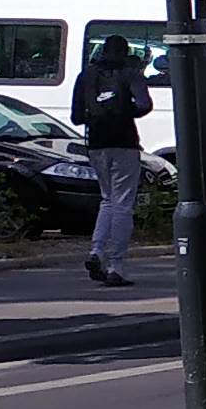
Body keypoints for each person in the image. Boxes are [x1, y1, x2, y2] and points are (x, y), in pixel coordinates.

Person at [71, 32, 153, 286]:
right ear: (125, 52)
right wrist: (124, 110)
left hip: (96, 144)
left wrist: (98, 114)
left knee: (107, 200)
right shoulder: (130, 74)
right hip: (125, 142)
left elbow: (76, 116)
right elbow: (144, 105)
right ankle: (116, 265)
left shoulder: (86, 75)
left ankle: (96, 250)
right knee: (123, 204)